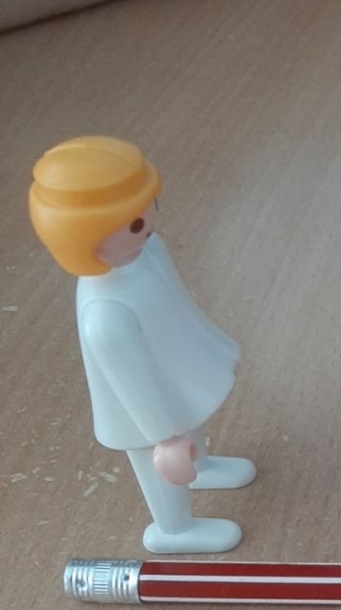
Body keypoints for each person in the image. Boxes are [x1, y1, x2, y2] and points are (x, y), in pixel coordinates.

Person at [29, 135, 255, 553]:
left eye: (151, 205)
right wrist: (164, 439)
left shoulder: (148, 251)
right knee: (161, 469)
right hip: (141, 415)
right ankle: (174, 530)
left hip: (173, 373)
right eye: (135, 223)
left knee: (189, 422)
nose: (150, 223)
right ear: (83, 239)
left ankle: (201, 466)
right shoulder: (104, 315)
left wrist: (210, 346)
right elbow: (134, 387)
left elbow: (177, 305)